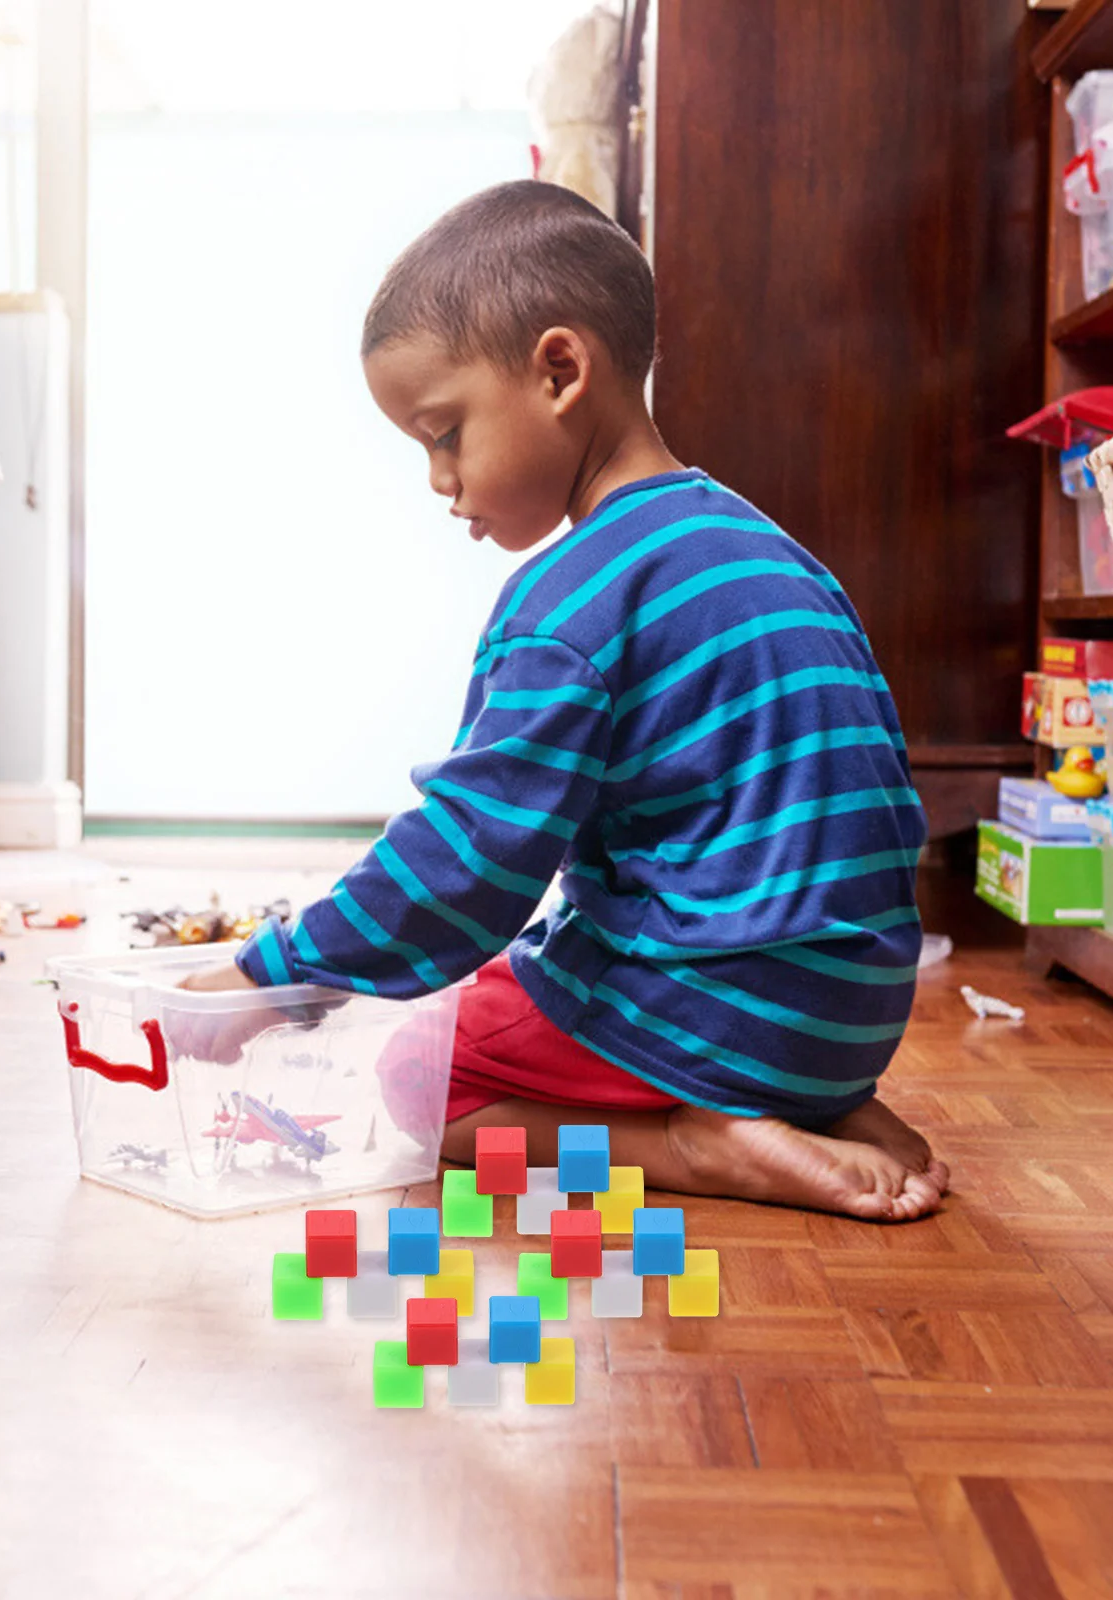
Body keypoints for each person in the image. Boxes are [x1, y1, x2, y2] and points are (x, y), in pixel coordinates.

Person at [184, 180, 946, 1221]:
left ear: (558, 371)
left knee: (413, 1077)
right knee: (519, 973)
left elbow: (468, 865)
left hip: (711, 1015)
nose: (438, 480)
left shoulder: (568, 601)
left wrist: (275, 980)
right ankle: (814, 1106)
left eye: (443, 433)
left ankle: (693, 1142)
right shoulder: (772, 551)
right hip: (848, 1014)